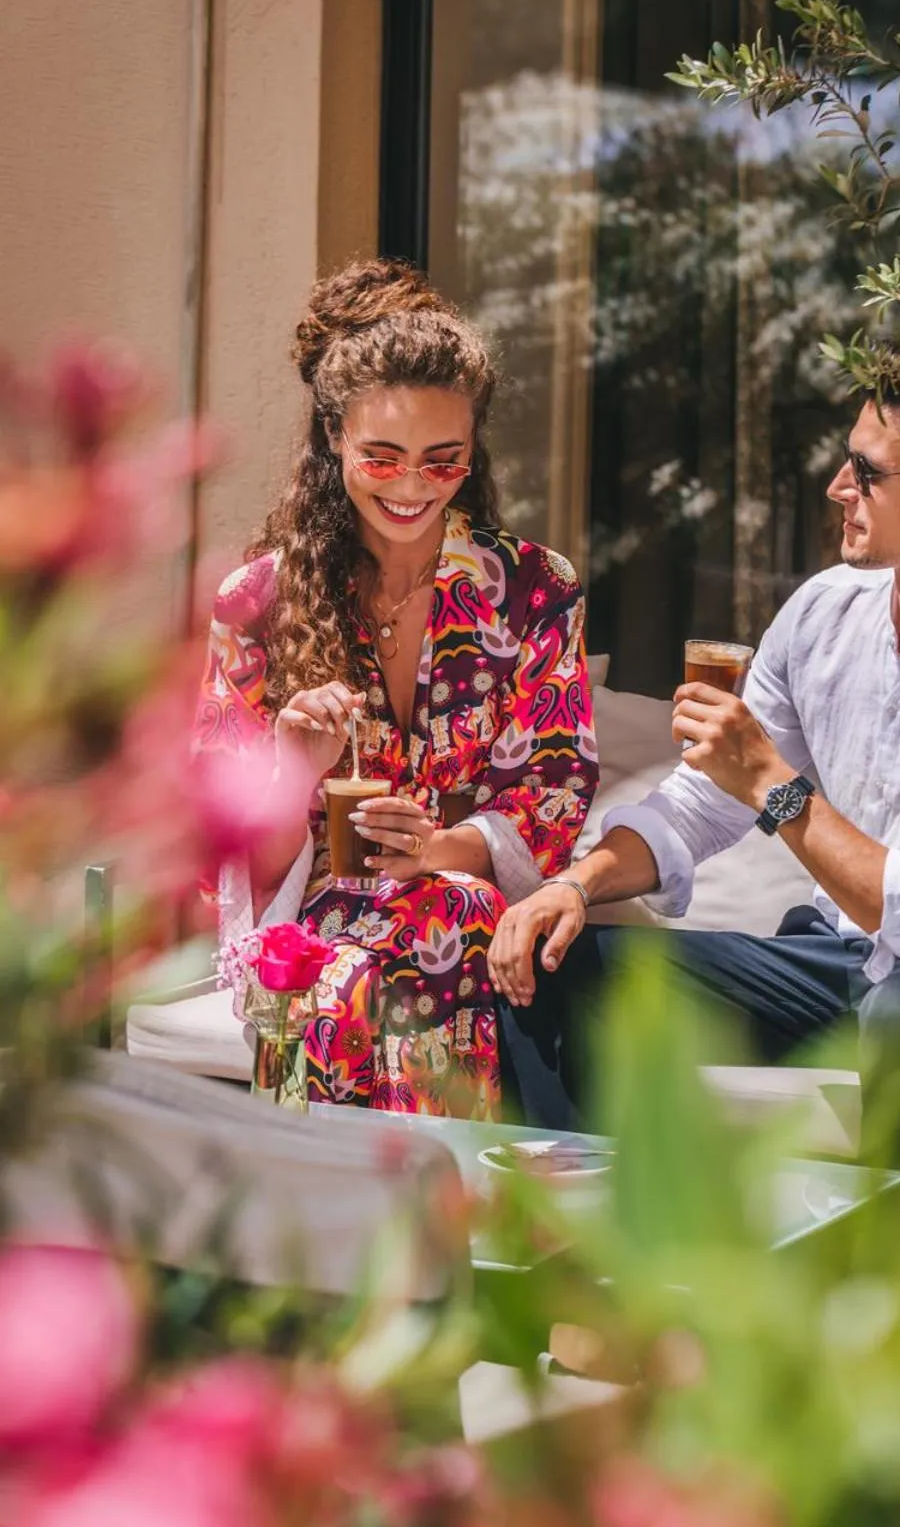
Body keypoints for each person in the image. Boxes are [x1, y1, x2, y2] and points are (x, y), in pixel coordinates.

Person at [487, 345, 900, 1155]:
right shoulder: (826, 610)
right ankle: (580, 1236)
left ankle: (889, 1278)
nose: (837, 487)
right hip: (837, 961)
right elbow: (700, 802)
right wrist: (572, 886)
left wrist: (775, 786)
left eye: (869, 471)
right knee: (558, 960)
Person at [194, 258, 598, 1117]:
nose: (412, 486)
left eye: (441, 461)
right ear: (333, 439)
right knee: (337, 978)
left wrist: (433, 854)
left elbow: (552, 800)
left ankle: (402, 1216)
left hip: (466, 903)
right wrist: (293, 768)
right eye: (381, 456)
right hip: (312, 923)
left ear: (470, 454)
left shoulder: (533, 589)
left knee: (444, 920)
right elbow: (223, 850)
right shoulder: (258, 604)